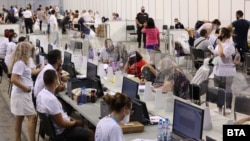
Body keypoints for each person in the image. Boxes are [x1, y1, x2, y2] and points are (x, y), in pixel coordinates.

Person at [36, 70, 94, 141]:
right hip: (63, 133)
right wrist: (75, 122)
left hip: (55, 129)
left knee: (83, 125)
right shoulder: (51, 100)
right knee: (91, 133)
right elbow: (62, 124)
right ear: (55, 80)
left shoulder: (41, 94)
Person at [8, 42, 37, 141]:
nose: (30, 53)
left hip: (21, 94)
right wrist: (25, 88)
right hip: (22, 95)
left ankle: (17, 139)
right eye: (28, 51)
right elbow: (13, 79)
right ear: (24, 51)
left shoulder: (22, 62)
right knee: (32, 117)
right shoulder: (20, 63)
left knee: (19, 118)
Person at [212, 27, 236, 112]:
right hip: (218, 69)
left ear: (223, 34)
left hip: (227, 71)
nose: (218, 35)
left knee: (227, 89)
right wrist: (213, 52)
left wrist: (219, 45)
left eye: (219, 33)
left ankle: (228, 107)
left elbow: (222, 55)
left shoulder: (230, 45)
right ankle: (219, 107)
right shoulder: (221, 43)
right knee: (219, 89)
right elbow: (216, 53)